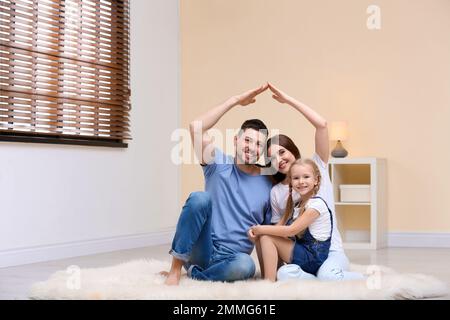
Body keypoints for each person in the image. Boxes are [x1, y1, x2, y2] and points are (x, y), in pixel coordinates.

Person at [160, 83, 274, 285]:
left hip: (233, 258)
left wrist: (268, 278)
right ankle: (176, 270)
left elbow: (263, 235)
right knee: (199, 198)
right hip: (202, 248)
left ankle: (196, 275)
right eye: (247, 140)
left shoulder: (268, 183)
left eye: (258, 144)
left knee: (247, 266)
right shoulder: (218, 163)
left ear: (262, 151)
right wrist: (235, 100)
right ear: (235, 141)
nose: (251, 147)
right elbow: (196, 127)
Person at [250, 83, 365, 281]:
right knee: (285, 273)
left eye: (282, 152)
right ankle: (278, 285)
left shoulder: (315, 168)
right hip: (302, 254)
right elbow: (280, 229)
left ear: (292, 150)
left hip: (330, 253)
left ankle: (349, 278)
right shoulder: (277, 191)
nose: (279, 159)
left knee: (328, 276)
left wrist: (288, 101)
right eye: (272, 158)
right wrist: (260, 233)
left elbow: (321, 124)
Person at [249, 158, 333, 281]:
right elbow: (278, 227)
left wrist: (261, 229)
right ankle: (267, 276)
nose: (301, 181)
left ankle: (268, 282)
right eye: (296, 178)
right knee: (262, 237)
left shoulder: (316, 205)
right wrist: (257, 233)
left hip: (313, 258)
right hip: (304, 253)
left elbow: (291, 230)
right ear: (291, 182)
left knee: (266, 236)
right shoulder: (297, 204)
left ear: (316, 180)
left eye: (306, 177)